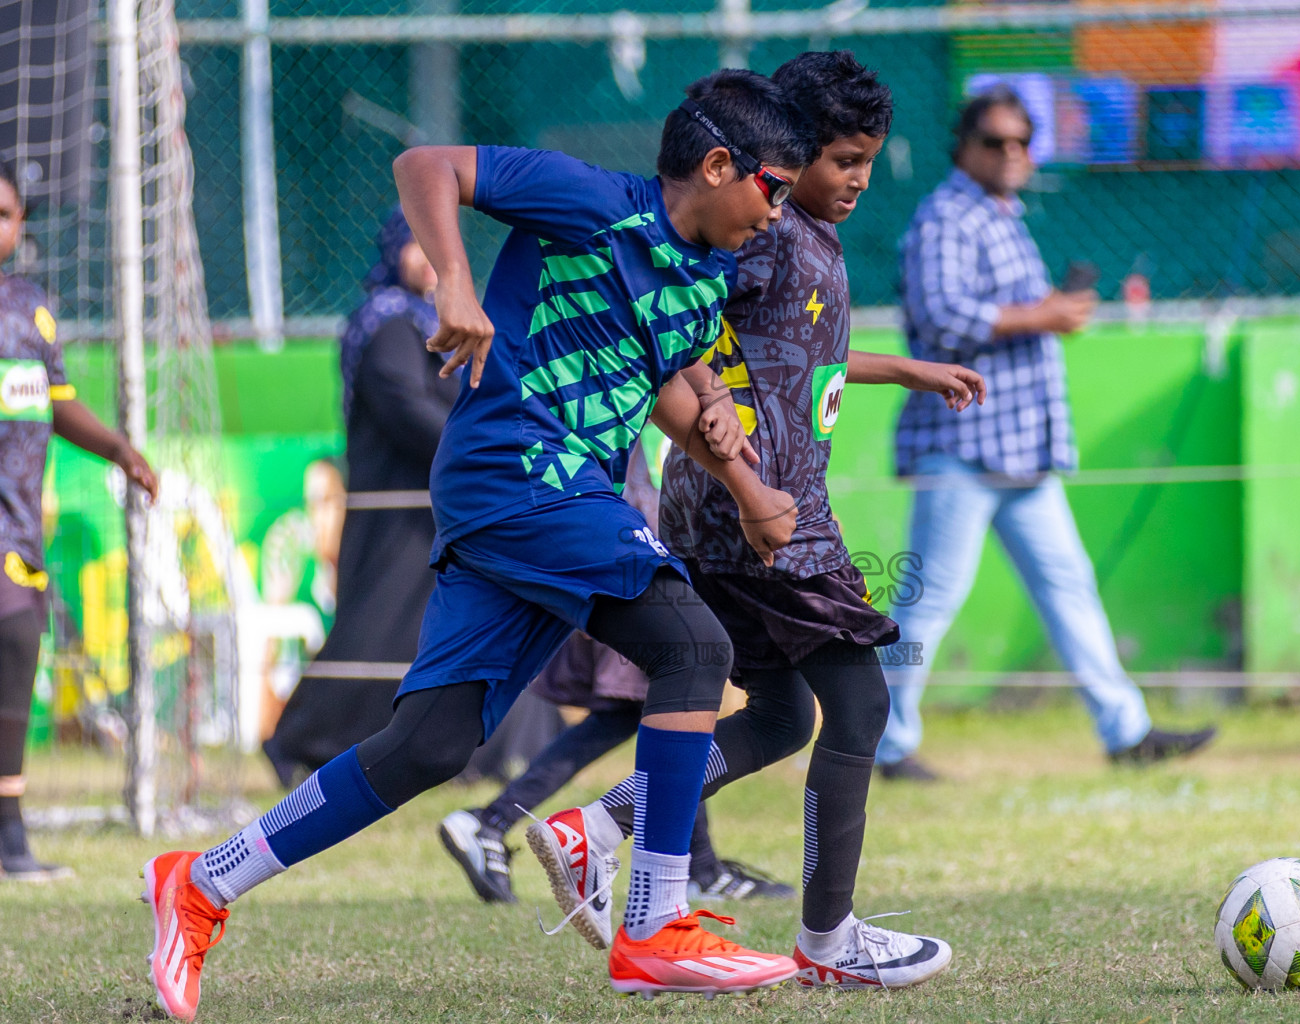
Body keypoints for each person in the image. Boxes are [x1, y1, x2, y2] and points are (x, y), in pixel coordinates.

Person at [138, 68, 820, 1021]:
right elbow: (426, 165)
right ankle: (653, 922)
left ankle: (201, 881)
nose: (780, 214)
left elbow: (667, 381)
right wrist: (458, 282)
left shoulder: (703, 274)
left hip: (545, 496)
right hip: (521, 472)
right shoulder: (590, 198)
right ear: (717, 165)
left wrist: (746, 488)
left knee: (428, 744)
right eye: (775, 188)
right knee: (694, 648)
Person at [529, 51, 983, 990]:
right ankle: (829, 942)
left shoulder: (798, 233)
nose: (856, 180)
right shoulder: (767, 232)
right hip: (766, 514)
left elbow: (797, 355)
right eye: (842, 160)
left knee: (779, 716)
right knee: (860, 705)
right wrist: (741, 472)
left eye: (869, 161)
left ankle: (595, 825)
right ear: (791, 155)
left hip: (723, 515)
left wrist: (907, 370)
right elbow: (677, 334)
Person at [876, 87, 1215, 781]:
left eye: (1023, 141)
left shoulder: (1000, 214)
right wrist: (1044, 314)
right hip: (963, 445)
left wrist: (1046, 313)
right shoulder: (947, 217)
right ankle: (883, 743)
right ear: (962, 147)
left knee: (1070, 587)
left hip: (1019, 451)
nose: (1012, 154)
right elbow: (940, 318)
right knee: (929, 602)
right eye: (996, 141)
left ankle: (1127, 731)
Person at [438, 445, 793, 905]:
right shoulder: (651, 393)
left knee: (646, 714)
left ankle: (491, 821)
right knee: (679, 708)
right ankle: (699, 870)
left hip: (634, 562)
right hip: (636, 566)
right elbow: (634, 488)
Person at [0, 159, 158, 880]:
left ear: (20, 227)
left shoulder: (32, 308)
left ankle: (9, 837)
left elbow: (57, 400)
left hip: (19, 526)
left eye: (3, 214)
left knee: (16, 655)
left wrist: (119, 449)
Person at [262, 207, 457, 784]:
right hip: (394, 508)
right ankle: (297, 739)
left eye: (435, 248)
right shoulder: (387, 324)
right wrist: (468, 448)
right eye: (415, 246)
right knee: (373, 625)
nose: (428, 261)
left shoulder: (437, 320)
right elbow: (403, 404)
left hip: (433, 502)